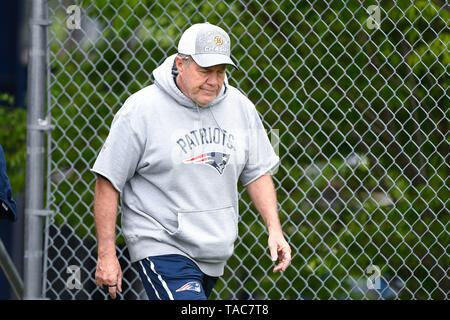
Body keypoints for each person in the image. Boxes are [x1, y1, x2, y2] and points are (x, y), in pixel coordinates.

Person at [92, 22, 291, 300]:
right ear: (180, 64)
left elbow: (257, 173)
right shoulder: (141, 110)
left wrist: (275, 230)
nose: (213, 80)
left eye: (220, 72)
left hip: (214, 251)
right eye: (205, 71)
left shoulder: (241, 107)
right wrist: (107, 254)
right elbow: (108, 181)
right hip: (161, 247)